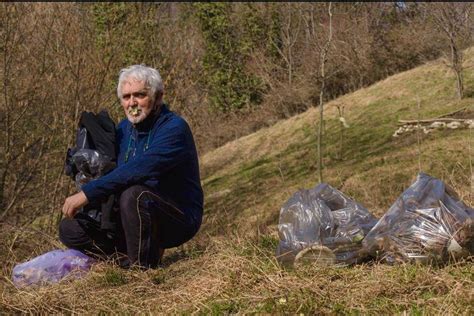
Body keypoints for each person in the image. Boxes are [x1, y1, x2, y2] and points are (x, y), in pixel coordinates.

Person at [59, 65, 203, 268]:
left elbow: (138, 170)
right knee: (70, 227)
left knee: (134, 195)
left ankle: (141, 268)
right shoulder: (123, 130)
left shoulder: (174, 129)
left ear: (158, 97)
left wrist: (88, 193)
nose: (132, 103)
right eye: (126, 97)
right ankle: (124, 260)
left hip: (177, 216)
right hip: (130, 215)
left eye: (140, 95)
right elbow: (112, 171)